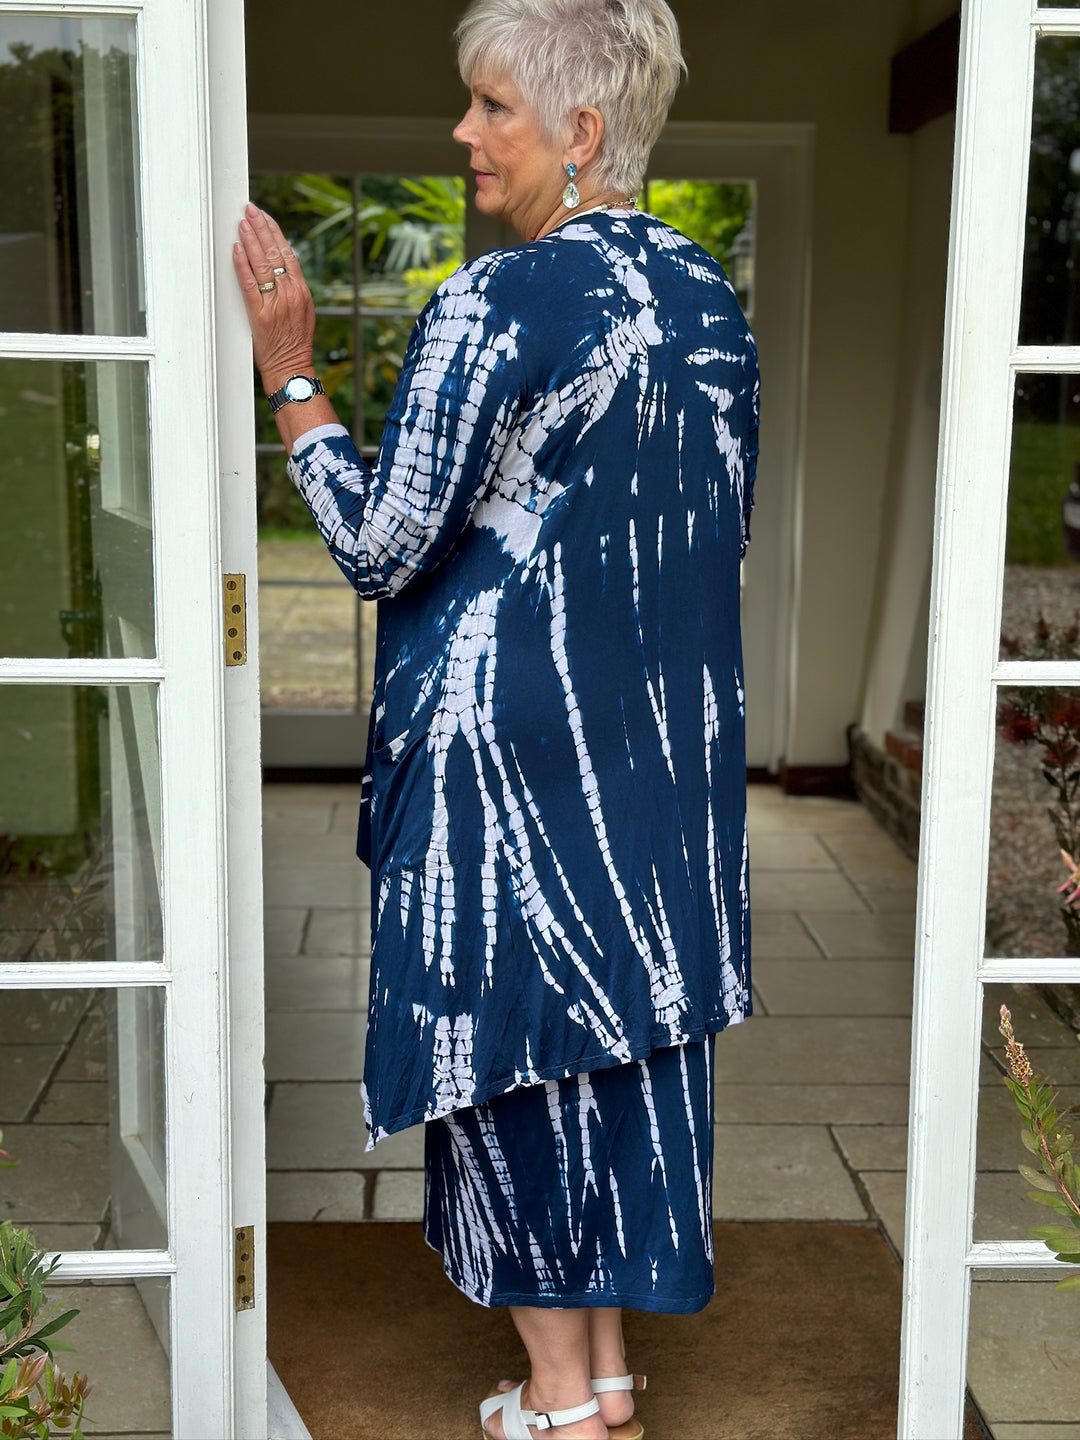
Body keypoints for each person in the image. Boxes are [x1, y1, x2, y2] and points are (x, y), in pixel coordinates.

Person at [234, 0, 758, 1434]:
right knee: (603, 1047)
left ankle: (557, 1400)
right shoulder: (708, 297)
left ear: (580, 134)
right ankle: (604, 1379)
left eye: (492, 109)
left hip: (509, 769)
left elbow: (380, 542)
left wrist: (292, 375)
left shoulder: (497, 298)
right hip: (661, 761)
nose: (464, 134)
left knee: (512, 1058)